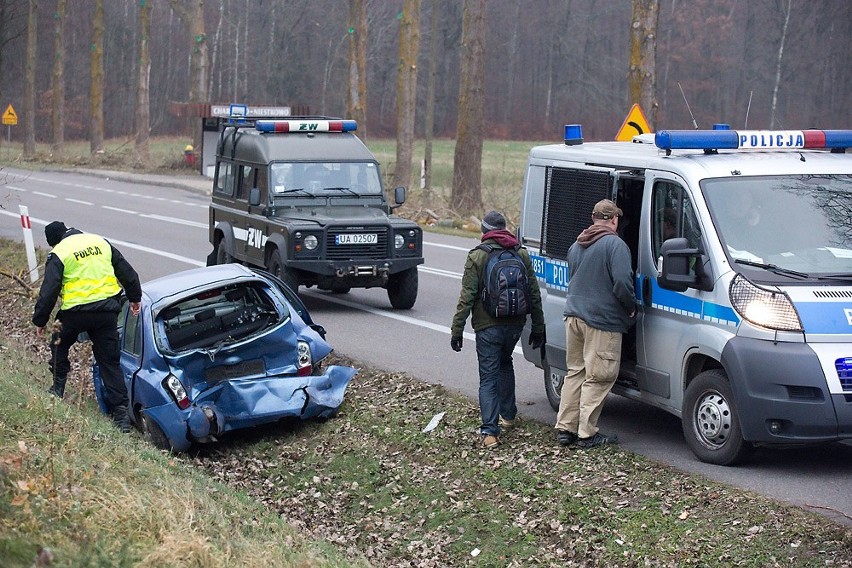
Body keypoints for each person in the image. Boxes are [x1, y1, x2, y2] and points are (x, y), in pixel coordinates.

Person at [32, 221, 143, 433]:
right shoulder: (99, 242)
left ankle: (57, 388)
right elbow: (127, 272)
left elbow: (49, 290)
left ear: (53, 242)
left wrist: (40, 320)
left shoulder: (60, 252)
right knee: (110, 362)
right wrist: (134, 297)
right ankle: (121, 417)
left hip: (75, 314)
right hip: (106, 313)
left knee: (58, 344)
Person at [450, 211, 545, 448]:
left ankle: (490, 432)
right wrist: (539, 327)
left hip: (487, 326)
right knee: (505, 362)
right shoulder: (521, 253)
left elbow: (467, 297)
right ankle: (509, 415)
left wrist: (457, 329)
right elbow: (534, 294)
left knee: (488, 376)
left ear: (484, 231)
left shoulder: (477, 257)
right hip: (514, 325)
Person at [555, 199, 636, 449]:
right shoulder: (616, 246)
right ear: (614, 220)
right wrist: (630, 306)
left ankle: (565, 429)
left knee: (575, 372)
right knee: (599, 376)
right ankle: (586, 434)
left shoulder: (577, 245)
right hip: (601, 321)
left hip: (574, 316)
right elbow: (622, 282)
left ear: (593, 218)